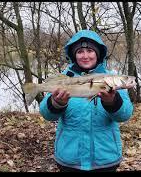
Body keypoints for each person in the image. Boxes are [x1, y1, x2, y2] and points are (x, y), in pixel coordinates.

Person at [39, 30, 134, 172]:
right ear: (73, 55)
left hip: (105, 159)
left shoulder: (110, 78)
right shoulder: (64, 78)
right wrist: (57, 103)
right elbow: (47, 115)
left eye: (90, 50)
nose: (85, 56)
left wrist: (111, 102)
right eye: (80, 52)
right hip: (69, 160)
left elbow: (124, 115)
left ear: (98, 53)